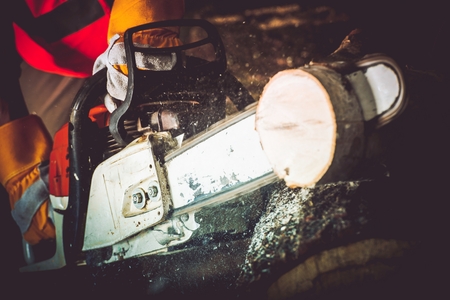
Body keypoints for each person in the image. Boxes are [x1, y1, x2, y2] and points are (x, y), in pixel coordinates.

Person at [0, 0, 185, 251]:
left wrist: (144, 40)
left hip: (131, 18)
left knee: (159, 84)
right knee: (67, 165)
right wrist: (21, 172)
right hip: (55, 56)